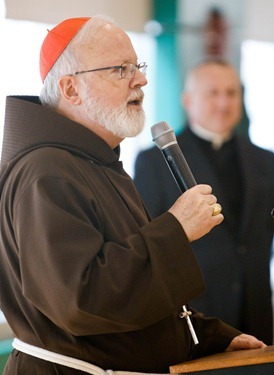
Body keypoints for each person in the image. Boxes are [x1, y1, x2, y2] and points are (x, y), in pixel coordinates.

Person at [0, 17, 266, 375]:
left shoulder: (93, 160)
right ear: (71, 89)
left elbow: (132, 298)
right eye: (120, 69)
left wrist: (208, 336)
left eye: (137, 66)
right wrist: (177, 228)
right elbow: (82, 300)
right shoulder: (45, 171)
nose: (141, 79)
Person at [134, 59, 274, 345]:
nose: (223, 103)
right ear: (188, 99)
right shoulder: (154, 161)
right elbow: (150, 241)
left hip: (259, 315)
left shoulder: (266, 160)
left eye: (232, 93)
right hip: (198, 319)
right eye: (213, 93)